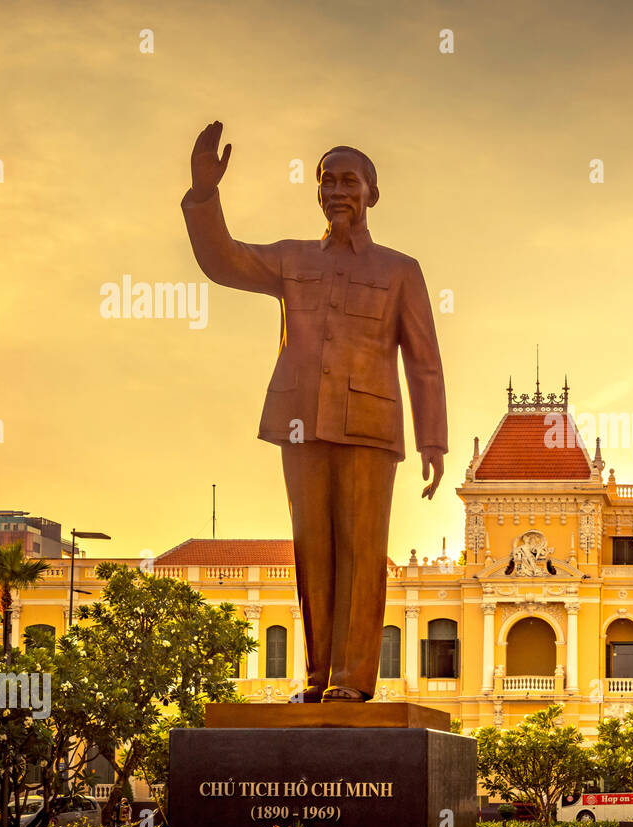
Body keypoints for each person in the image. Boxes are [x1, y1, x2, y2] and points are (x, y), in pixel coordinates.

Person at [182, 122, 448, 702]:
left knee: (361, 552)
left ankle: (352, 681)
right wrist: (204, 195)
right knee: (313, 553)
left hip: (370, 428)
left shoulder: (400, 270)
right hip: (301, 422)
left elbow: (424, 359)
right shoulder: (291, 258)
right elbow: (224, 260)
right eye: (328, 181)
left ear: (372, 192)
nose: (337, 191)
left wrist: (433, 439)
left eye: (349, 181)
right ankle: (317, 678)